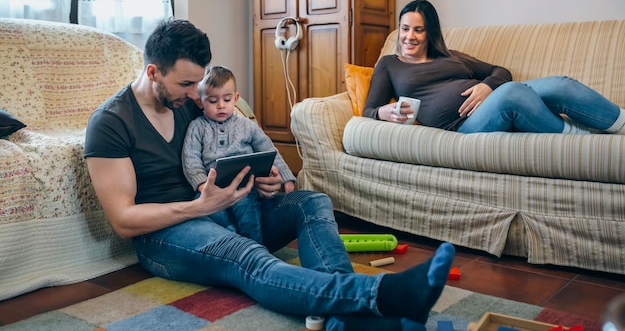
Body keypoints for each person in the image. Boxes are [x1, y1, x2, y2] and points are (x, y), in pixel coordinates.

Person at [84, 18, 456, 331]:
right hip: (168, 234)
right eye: (185, 85)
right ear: (153, 72)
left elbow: (239, 125)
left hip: (228, 207)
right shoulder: (112, 123)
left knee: (312, 201)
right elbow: (124, 220)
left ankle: (345, 314)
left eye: (197, 85)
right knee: (246, 255)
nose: (195, 95)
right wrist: (200, 206)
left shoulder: (191, 101)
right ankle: (379, 295)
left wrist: (269, 179)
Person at [363, 0, 625, 135]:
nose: (409, 36)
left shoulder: (452, 57)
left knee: (560, 84)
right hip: (464, 124)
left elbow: (501, 72)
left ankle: (621, 123)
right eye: (405, 28)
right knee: (513, 93)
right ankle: (579, 139)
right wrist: (382, 113)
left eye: (418, 30)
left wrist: (486, 87)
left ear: (430, 33)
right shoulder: (390, 64)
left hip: (494, 100)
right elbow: (369, 110)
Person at [182, 65, 296, 243]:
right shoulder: (197, 127)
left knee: (247, 212)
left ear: (235, 98)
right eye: (212, 101)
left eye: (226, 99)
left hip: (244, 185)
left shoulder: (246, 125)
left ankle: (255, 248)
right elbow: (191, 160)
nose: (220, 106)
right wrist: (202, 186)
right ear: (199, 102)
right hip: (213, 187)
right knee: (204, 208)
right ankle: (232, 237)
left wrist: (286, 176)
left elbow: (268, 150)